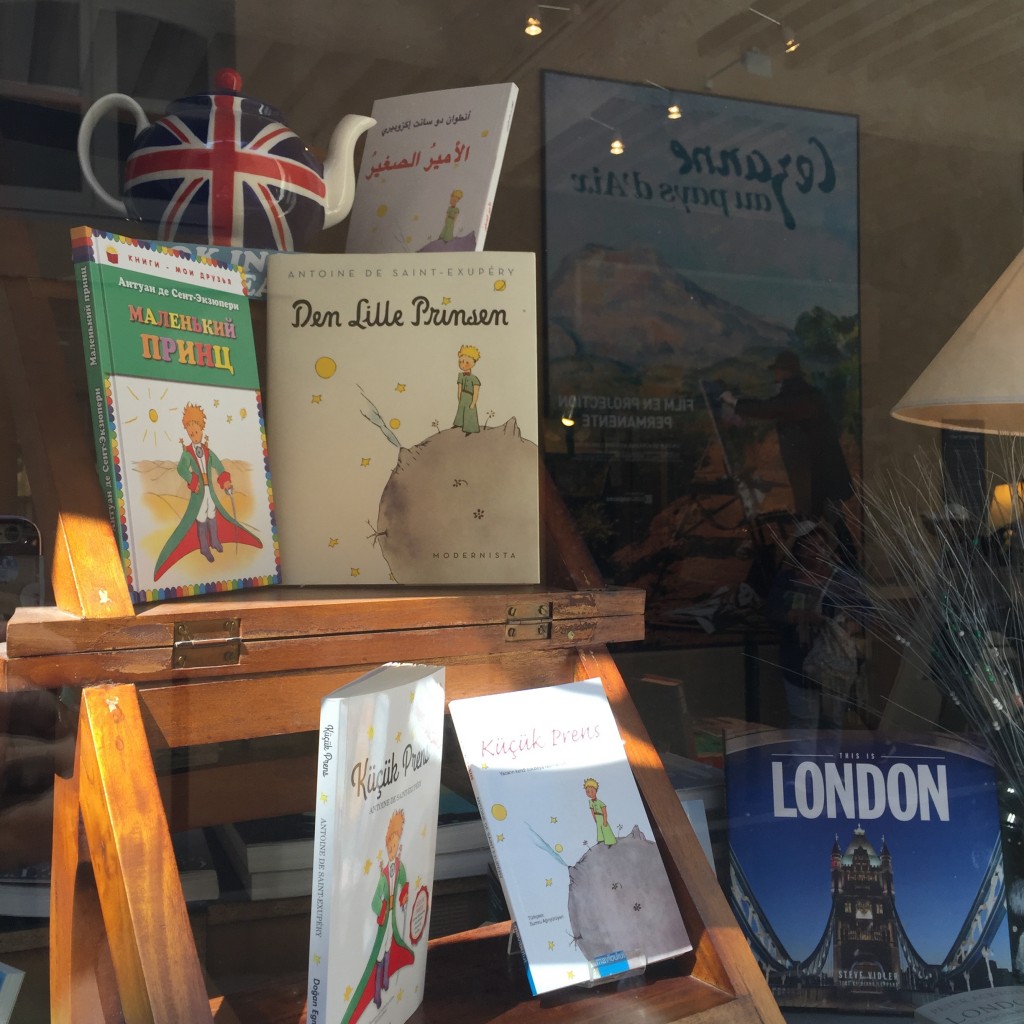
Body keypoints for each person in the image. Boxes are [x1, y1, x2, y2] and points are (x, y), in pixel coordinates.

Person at [720, 350, 854, 527]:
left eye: (777, 370)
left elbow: (769, 408)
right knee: (826, 516)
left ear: (785, 371)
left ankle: (831, 544)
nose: (774, 373)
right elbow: (774, 409)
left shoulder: (798, 395)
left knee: (821, 517)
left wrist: (735, 402)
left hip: (817, 471)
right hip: (818, 469)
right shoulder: (801, 392)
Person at [767, 521, 868, 729]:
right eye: (809, 546)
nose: (816, 551)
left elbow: (865, 612)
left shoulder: (842, 580)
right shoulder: (786, 581)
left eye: (821, 545)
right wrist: (800, 616)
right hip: (797, 663)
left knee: (832, 723)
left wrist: (845, 628)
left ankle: (827, 754)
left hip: (835, 665)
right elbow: (773, 613)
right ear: (797, 550)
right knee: (803, 722)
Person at [154, 402, 263, 580]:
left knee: (212, 514)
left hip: (209, 492)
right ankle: (204, 548)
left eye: (196, 432)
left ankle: (215, 541)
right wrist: (192, 479)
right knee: (201, 519)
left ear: (202, 429)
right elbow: (181, 469)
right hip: (198, 494)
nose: (194, 435)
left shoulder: (207, 451)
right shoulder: (187, 453)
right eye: (190, 433)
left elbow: (218, 466)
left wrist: (225, 481)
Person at [344, 808, 415, 1023]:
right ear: (386, 845)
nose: (392, 849)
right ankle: (376, 991)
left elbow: (404, 882)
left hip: (393, 918)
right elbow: (375, 899)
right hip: (385, 918)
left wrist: (403, 894)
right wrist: (383, 907)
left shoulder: (399, 867)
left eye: (395, 845)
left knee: (388, 948)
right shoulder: (384, 875)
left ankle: (385, 981)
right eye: (390, 846)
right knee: (379, 954)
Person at [452, 344, 481, 434]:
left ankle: (470, 429)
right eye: (460, 362)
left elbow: (476, 392)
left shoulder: (474, 378)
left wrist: (473, 402)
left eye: (466, 362)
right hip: (463, 396)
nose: (463, 365)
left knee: (470, 412)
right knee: (460, 410)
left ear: (473, 363)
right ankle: (459, 424)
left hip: (470, 397)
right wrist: (459, 397)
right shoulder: (460, 375)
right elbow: (459, 388)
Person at [583, 777, 617, 846]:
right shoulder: (590, 802)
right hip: (597, 817)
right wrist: (594, 818)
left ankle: (610, 841)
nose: (590, 793)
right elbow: (592, 811)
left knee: (605, 828)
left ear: (596, 791)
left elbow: (605, 813)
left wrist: (605, 820)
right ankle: (601, 839)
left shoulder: (600, 802)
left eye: (592, 791)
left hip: (602, 817)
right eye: (587, 791)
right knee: (599, 828)